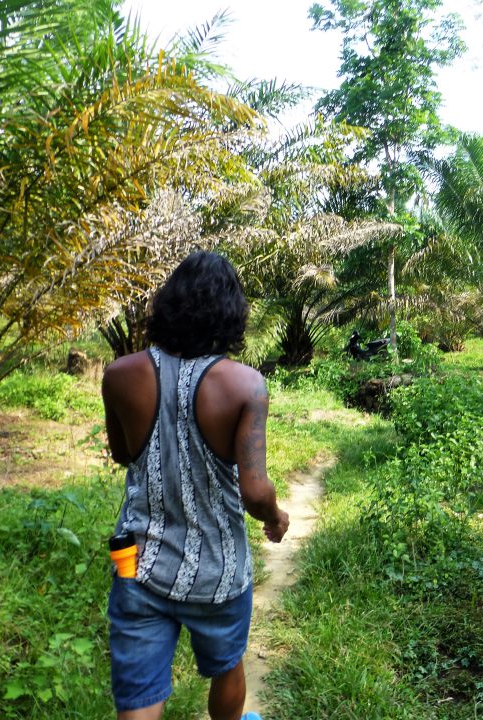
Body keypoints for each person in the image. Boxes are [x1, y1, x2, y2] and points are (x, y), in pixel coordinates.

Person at [101, 251, 289, 720]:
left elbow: (123, 454)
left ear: (169, 304)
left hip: (139, 565)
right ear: (231, 314)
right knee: (227, 665)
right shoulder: (245, 386)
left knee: (140, 695)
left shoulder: (120, 375)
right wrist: (276, 516)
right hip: (218, 572)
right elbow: (255, 491)